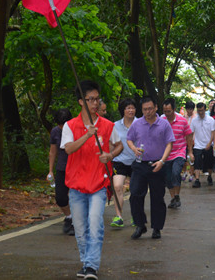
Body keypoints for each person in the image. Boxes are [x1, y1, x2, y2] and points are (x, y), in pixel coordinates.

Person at [61, 80, 123, 279]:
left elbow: (119, 145)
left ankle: (91, 267)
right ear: (81, 101)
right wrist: (87, 136)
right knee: (80, 229)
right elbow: (68, 148)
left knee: (95, 224)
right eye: (91, 99)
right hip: (76, 185)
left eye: (97, 99)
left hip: (98, 184)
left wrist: (110, 156)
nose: (95, 103)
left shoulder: (107, 125)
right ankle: (86, 263)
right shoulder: (70, 126)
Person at [126, 96, 175, 239]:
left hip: (157, 165)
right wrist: (134, 148)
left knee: (157, 197)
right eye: (144, 109)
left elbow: (169, 144)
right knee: (135, 194)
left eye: (150, 109)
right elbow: (129, 139)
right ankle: (140, 225)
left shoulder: (164, 124)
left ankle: (157, 228)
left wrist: (162, 161)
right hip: (140, 164)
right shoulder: (137, 124)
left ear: (155, 108)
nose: (147, 112)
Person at [110, 98, 137, 228]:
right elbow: (111, 143)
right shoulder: (115, 126)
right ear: (123, 111)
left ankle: (135, 216)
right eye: (128, 108)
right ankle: (118, 216)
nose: (131, 110)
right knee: (117, 187)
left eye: (133, 108)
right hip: (119, 161)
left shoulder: (140, 124)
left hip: (136, 161)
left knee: (135, 190)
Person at [162, 98, 193, 209]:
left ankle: (177, 195)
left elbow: (189, 136)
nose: (167, 114)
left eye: (169, 111)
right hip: (166, 154)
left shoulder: (182, 121)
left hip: (179, 151)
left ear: (174, 109)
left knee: (176, 172)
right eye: (165, 111)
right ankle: (173, 198)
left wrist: (190, 152)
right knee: (167, 177)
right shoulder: (161, 121)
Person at [48, 108, 74, 235]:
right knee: (60, 197)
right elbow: (53, 151)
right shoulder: (55, 132)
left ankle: (76, 222)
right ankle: (69, 217)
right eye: (60, 124)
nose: (62, 127)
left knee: (76, 197)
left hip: (76, 168)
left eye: (64, 124)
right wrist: (50, 170)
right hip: (62, 168)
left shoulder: (77, 130)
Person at [190, 102, 215, 187]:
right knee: (197, 162)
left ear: (205, 110)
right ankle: (197, 179)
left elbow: (213, 132)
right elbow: (191, 133)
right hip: (197, 145)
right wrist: (192, 143)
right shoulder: (194, 120)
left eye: (202, 110)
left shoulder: (210, 120)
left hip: (208, 144)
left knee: (209, 162)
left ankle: (210, 176)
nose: (200, 112)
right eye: (199, 110)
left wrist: (210, 143)